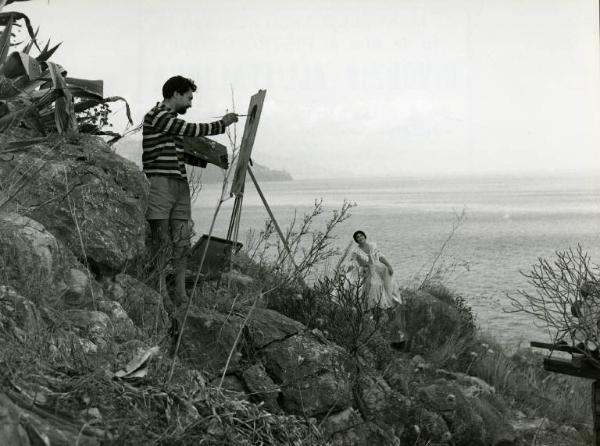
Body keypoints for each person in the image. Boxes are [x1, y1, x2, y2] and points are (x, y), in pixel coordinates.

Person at [142, 75, 238, 308]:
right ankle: (163, 295)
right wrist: (223, 124)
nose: (190, 103)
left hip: (178, 184)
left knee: (182, 241)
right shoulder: (157, 116)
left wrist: (221, 157)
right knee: (162, 242)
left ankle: (182, 295)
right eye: (188, 97)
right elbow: (190, 130)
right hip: (161, 184)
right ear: (175, 94)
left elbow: (184, 151)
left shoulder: (169, 121)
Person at [349, 230, 401, 309]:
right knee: (372, 284)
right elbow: (354, 263)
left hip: (374, 267)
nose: (360, 238)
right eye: (358, 237)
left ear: (364, 236)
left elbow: (380, 256)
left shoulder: (372, 245)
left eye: (361, 235)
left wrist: (389, 265)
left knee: (384, 276)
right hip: (364, 269)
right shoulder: (355, 251)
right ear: (356, 240)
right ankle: (369, 305)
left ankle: (383, 302)